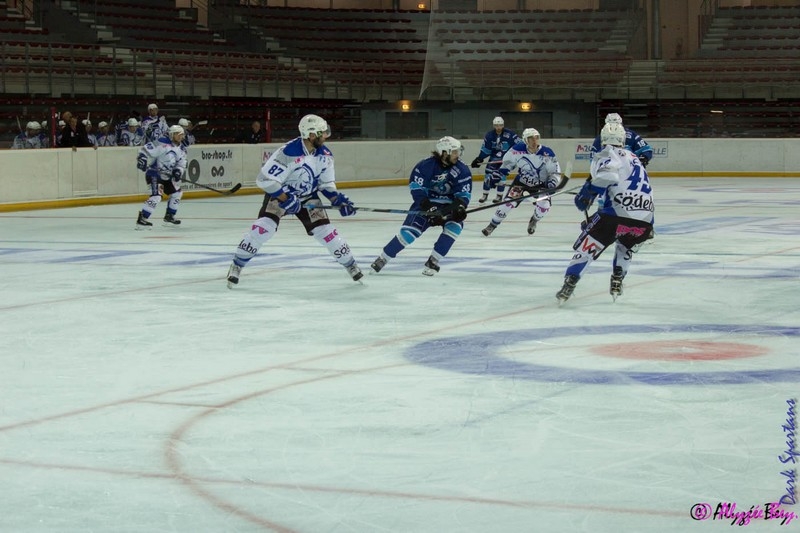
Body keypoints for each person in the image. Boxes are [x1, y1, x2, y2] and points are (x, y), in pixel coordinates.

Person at [225, 114, 362, 288]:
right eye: (322, 133)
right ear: (311, 135)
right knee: (263, 229)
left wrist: (338, 200)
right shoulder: (287, 153)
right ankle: (237, 264)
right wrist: (286, 199)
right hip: (280, 194)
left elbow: (326, 184)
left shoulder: (325, 155)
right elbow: (264, 180)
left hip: (309, 196)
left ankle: (350, 264)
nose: (326, 136)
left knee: (327, 232)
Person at [555, 122, 655, 304]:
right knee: (625, 242)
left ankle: (570, 282)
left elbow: (608, 176)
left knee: (588, 245)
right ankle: (618, 278)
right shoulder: (634, 157)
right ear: (623, 139)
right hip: (645, 222)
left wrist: (588, 194)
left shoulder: (606, 152)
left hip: (615, 216)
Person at [370, 136, 472, 276]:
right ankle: (383, 258)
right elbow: (417, 190)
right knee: (409, 234)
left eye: (457, 151)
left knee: (454, 227)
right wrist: (429, 208)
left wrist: (458, 209)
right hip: (426, 204)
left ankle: (433, 260)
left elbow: (463, 196)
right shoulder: (425, 165)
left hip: (448, 205)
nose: (457, 155)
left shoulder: (462, 169)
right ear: (444, 152)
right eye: (454, 152)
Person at [480, 128, 562, 237]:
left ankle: (534, 220)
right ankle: (492, 225)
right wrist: (497, 176)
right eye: (531, 138)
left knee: (544, 207)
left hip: (541, 185)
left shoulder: (547, 153)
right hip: (521, 183)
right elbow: (507, 165)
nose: (534, 141)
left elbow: (555, 171)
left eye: (536, 138)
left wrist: (552, 183)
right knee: (507, 204)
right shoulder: (516, 150)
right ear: (525, 140)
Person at [135, 125, 188, 229]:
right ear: (172, 134)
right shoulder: (162, 142)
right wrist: (142, 159)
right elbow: (145, 150)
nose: (181, 137)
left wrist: (178, 171)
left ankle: (169, 216)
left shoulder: (182, 148)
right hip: (154, 174)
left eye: (182, 135)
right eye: (178, 135)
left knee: (177, 193)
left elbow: (182, 163)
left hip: (167, 176)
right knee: (157, 196)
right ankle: (142, 219)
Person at [469, 116, 521, 204]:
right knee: (488, 174)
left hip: (506, 159)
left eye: (500, 125)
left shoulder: (510, 134)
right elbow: (486, 149)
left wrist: (515, 157)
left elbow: (519, 145)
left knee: (501, 175)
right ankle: (485, 194)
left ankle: (499, 195)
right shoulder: (489, 135)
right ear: (494, 125)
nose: (498, 127)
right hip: (494, 158)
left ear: (503, 125)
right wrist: (479, 158)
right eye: (496, 125)